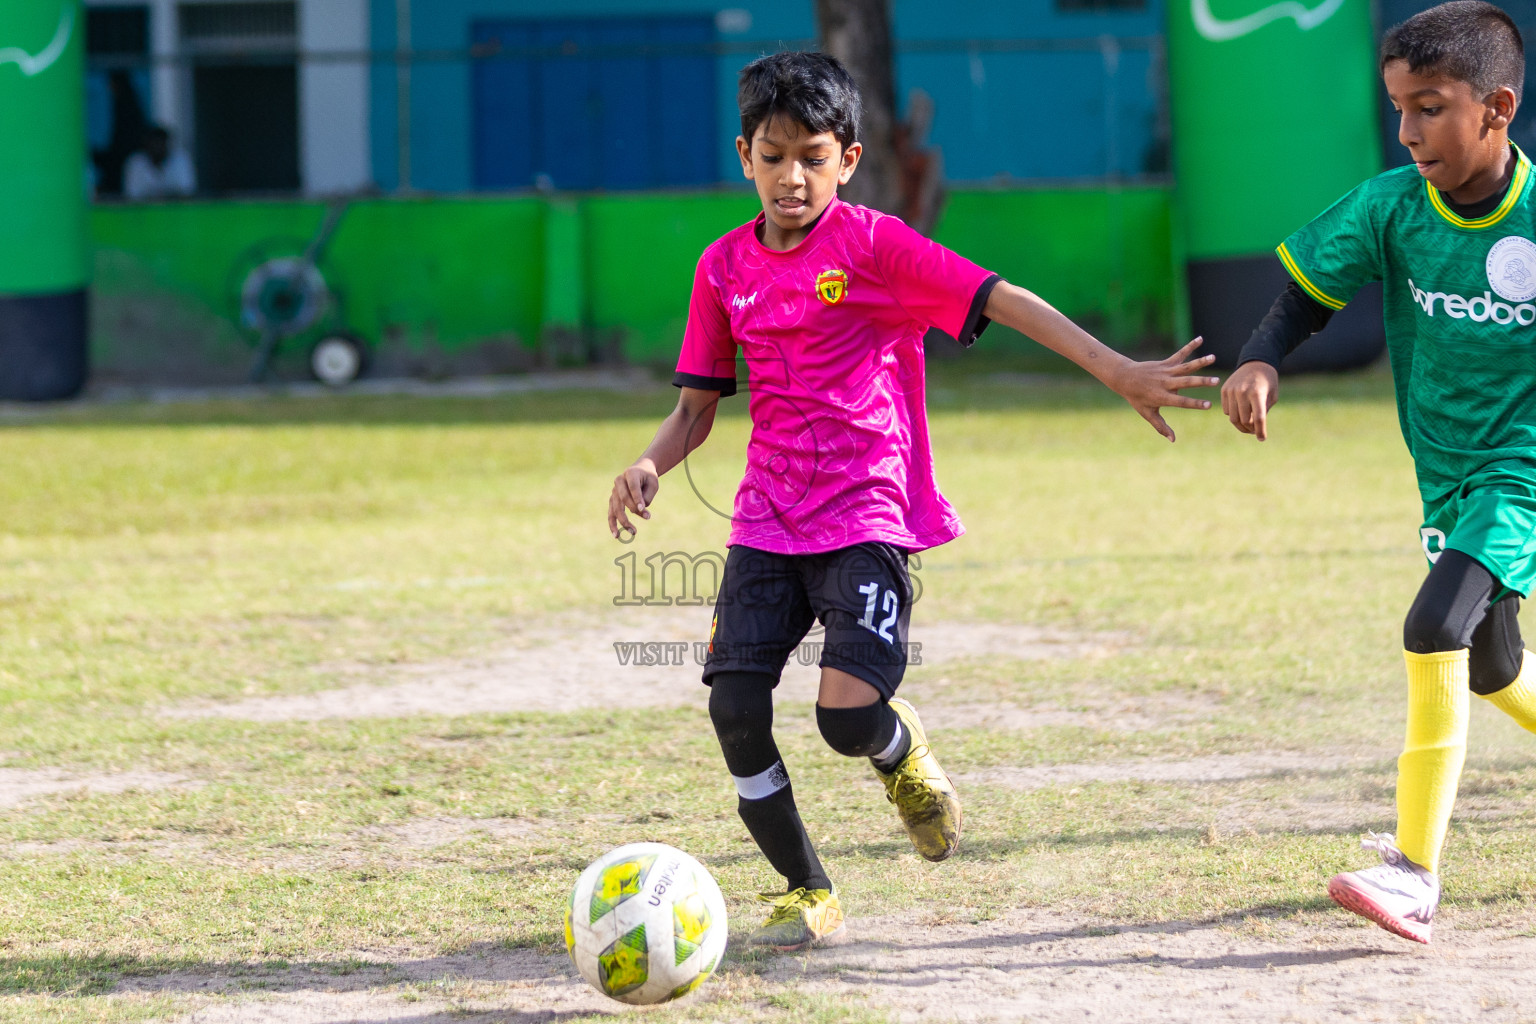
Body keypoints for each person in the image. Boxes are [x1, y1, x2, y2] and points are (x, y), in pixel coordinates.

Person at [607, 51, 1218, 952]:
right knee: (734, 707)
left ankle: (898, 753)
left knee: (846, 719)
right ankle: (807, 890)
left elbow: (1001, 300)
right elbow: (698, 404)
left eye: (812, 156)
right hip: (766, 520)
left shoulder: (875, 246)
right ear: (745, 155)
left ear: (847, 159)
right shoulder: (722, 267)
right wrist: (653, 462)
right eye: (773, 157)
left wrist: (1119, 370)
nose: (791, 177)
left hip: (865, 513)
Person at [1221, 1, 1536, 945]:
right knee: (1491, 667)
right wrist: (1262, 357)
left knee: (1432, 625)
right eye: (1398, 108)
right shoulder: (1391, 206)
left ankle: (1412, 873)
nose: (1407, 131)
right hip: (1447, 475)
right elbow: (1305, 295)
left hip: (1521, 474)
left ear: (1497, 107)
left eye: (1431, 107)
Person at [124, 125, 196, 201]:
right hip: (144, 211)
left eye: (160, 143)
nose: (157, 147)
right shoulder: (135, 162)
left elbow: (187, 192)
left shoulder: (181, 159)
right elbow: (131, 196)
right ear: (146, 144)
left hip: (175, 209)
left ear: (167, 144)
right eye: (154, 143)